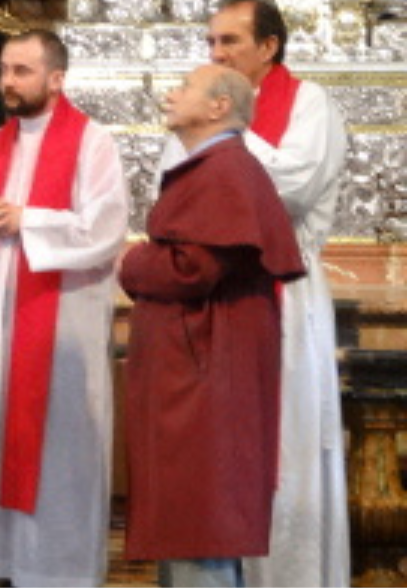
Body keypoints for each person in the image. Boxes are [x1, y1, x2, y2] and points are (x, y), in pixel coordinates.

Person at [162, 0, 351, 587]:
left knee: (282, 454)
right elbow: (173, 198)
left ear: (269, 47)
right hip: (209, 299)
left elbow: (289, 187)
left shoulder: (308, 104)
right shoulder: (200, 112)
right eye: (211, 42)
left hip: (281, 294)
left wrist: (222, 131)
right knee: (218, 455)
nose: (216, 52)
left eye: (230, 42)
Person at [0, 30, 128, 586]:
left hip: (62, 319)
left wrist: (29, 220)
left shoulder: (92, 143)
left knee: (62, 446)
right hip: (0, 318)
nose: (7, 81)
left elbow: (106, 225)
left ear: (56, 78)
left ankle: (63, 568)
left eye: (22, 70)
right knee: (0, 434)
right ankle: (5, 563)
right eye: (4, 69)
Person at [125, 65, 305, 587]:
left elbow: (193, 267)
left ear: (218, 106)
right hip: (196, 371)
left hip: (203, 381)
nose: (170, 94)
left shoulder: (224, 169)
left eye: (185, 87)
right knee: (191, 526)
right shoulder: (218, 167)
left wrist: (130, 264)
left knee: (199, 523)